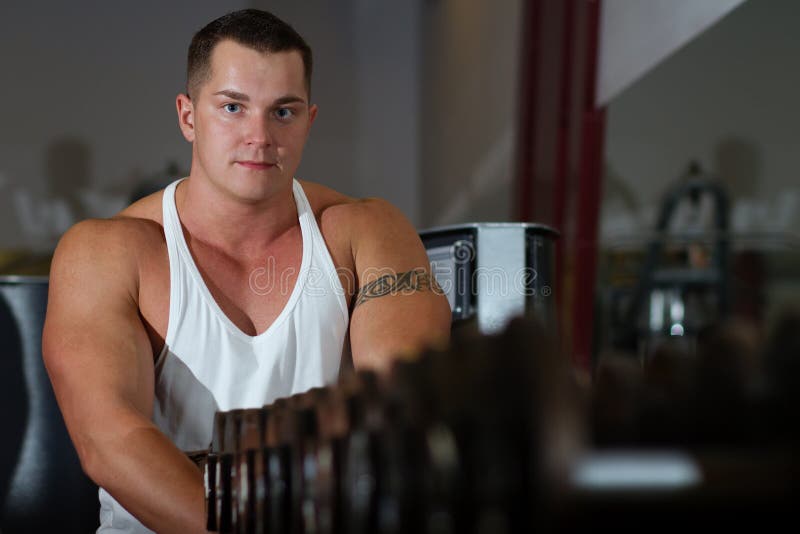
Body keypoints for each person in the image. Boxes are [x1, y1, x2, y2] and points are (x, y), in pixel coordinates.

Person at [42, 9, 451, 534]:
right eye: (233, 107)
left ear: (309, 119)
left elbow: (399, 415)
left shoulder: (368, 232)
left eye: (284, 112)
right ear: (188, 117)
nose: (259, 136)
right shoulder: (106, 252)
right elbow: (110, 441)